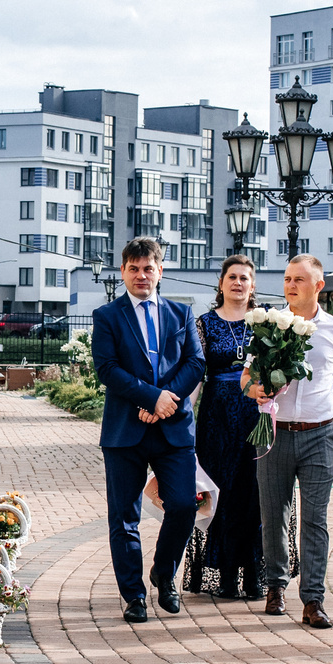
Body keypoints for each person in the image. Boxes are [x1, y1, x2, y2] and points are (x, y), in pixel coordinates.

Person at [90, 236, 202, 623]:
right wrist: (150, 398)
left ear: (160, 271)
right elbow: (107, 368)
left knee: (184, 506)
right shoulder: (107, 316)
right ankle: (134, 596)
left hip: (174, 429)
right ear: (123, 272)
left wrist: (165, 400)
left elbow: (195, 363)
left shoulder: (181, 313)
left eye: (148, 268)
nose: (141, 275)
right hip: (125, 430)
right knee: (124, 516)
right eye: (134, 269)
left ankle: (164, 574)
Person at [247, 254, 333, 628]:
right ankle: (275, 588)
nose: (291, 285)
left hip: (319, 435)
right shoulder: (267, 327)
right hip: (274, 434)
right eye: (287, 279)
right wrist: (255, 390)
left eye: (299, 279)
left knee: (315, 520)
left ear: (319, 286)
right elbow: (246, 379)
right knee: (273, 515)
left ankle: (313, 600)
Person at [191, 255, 265, 600]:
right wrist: (185, 413)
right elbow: (196, 373)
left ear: (252, 285)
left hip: (257, 416)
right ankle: (226, 575)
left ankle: (254, 574)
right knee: (222, 492)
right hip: (217, 419)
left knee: (255, 493)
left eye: (244, 278)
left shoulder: (266, 322)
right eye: (232, 277)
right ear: (221, 284)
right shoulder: (205, 323)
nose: (238, 283)